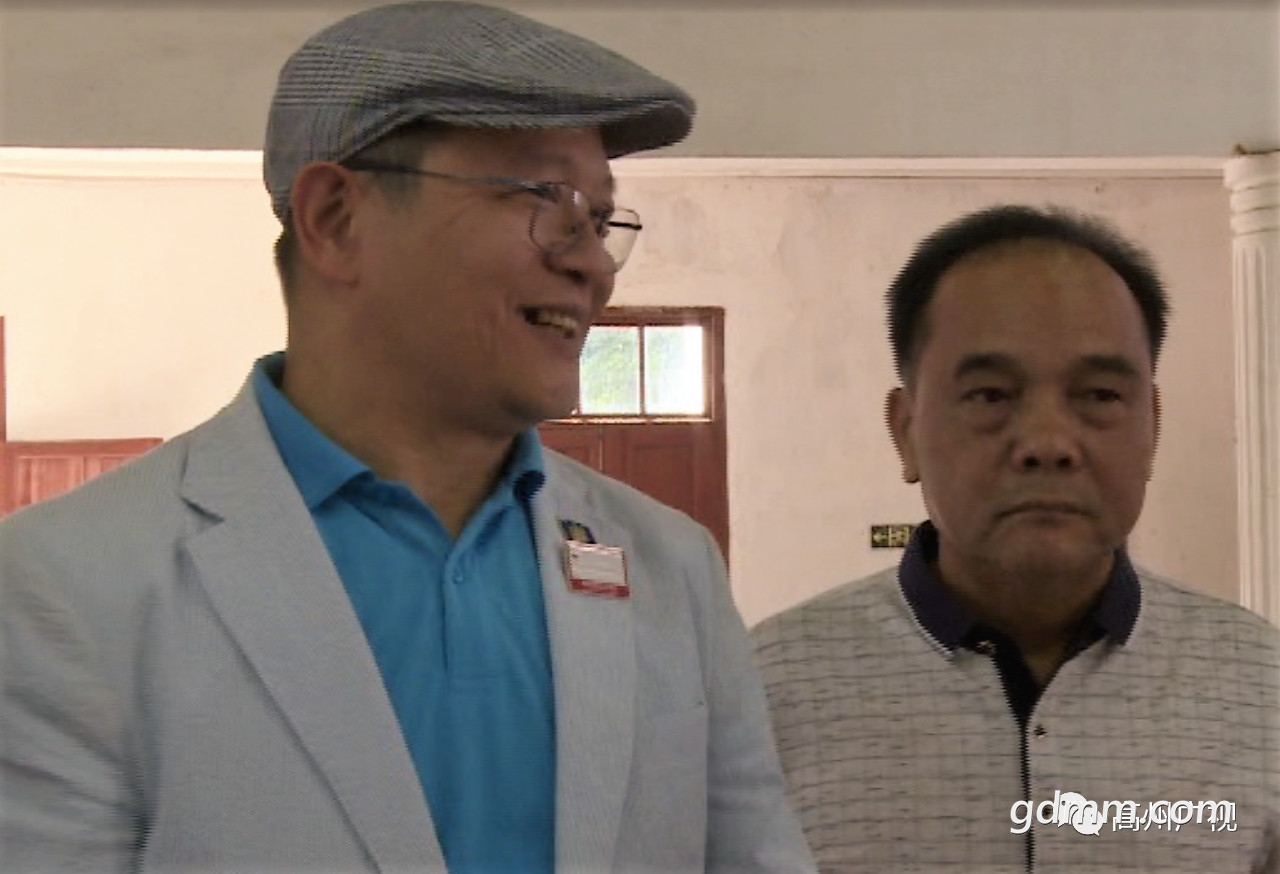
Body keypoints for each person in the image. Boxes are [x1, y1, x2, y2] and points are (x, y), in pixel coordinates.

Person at [0, 4, 816, 872]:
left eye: (600, 219)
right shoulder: (67, 587)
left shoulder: (671, 566)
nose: (592, 264)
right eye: (545, 200)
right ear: (336, 220)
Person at [752, 204, 1280, 873]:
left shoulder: (1260, 684)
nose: (1048, 443)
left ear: (1151, 426)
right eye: (991, 395)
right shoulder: (763, 692)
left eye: (1099, 395)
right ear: (905, 430)